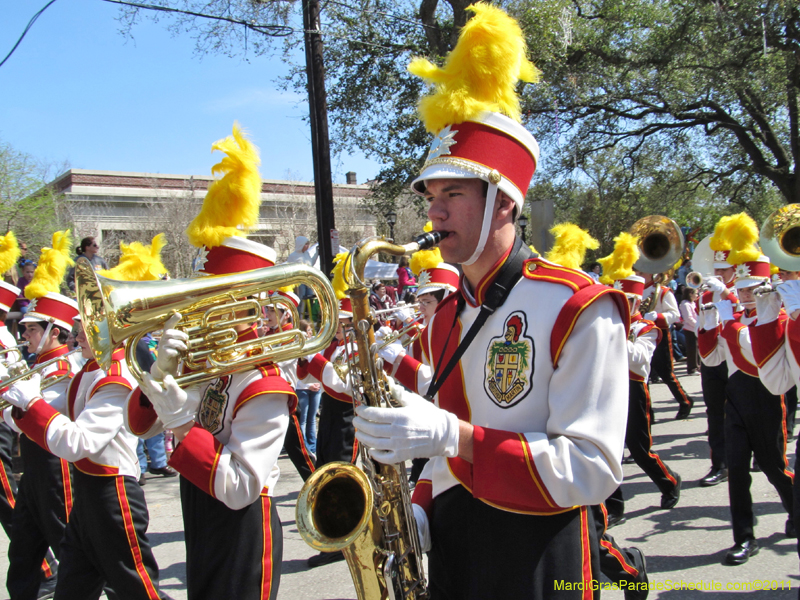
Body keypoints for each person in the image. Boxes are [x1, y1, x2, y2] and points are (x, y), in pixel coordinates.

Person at [352, 6, 630, 596]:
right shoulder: (450, 309)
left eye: (453, 193)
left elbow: (592, 469)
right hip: (457, 550)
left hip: (537, 555)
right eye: (431, 195)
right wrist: (420, 509)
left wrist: (454, 439)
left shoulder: (579, 306)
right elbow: (442, 448)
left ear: (505, 201)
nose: (434, 211)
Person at [126, 125, 292, 599]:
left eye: (205, 300)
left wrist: (180, 415)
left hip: (243, 532)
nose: (195, 310)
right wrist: (159, 375)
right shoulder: (211, 362)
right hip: (200, 510)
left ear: (241, 305)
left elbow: (240, 486)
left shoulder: (264, 383)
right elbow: (141, 428)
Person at [1, 229, 164, 599]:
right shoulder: (90, 372)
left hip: (113, 495)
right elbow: (38, 420)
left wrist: (32, 402)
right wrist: (20, 401)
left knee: (139, 591)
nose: (78, 333)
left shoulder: (114, 378)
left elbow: (78, 442)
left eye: (88, 325)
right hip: (88, 496)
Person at [697, 213, 794, 565]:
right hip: (735, 397)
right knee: (736, 470)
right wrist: (709, 321)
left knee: (774, 467)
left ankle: (796, 512)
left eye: (753, 289)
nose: (746, 294)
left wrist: (731, 324)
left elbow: (759, 359)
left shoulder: (778, 320)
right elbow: (711, 360)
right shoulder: (734, 320)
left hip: (766, 397)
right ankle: (744, 538)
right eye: (742, 289)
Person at [598, 233, 681, 530]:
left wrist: (615, 333)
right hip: (609, 390)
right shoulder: (607, 324)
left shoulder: (647, 328)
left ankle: (669, 482)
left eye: (627, 301)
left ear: (637, 302)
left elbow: (638, 360)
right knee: (611, 448)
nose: (621, 306)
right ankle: (614, 504)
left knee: (640, 448)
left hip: (634, 390)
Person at [3, 282, 78, 600]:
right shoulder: (38, 366)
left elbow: (28, 421)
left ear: (55, 331)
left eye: (32, 329)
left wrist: (12, 408)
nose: (25, 337)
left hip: (54, 468)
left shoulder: (61, 369)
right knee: (22, 549)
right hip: (35, 470)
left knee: (71, 544)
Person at [696, 216, 739, 487]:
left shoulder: (744, 290)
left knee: (743, 411)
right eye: (717, 269)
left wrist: (727, 294)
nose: (719, 274)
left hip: (737, 359)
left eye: (725, 270)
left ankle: (754, 455)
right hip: (713, 358)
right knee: (714, 413)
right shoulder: (705, 293)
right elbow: (702, 324)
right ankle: (719, 464)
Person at [635, 268, 693, 419]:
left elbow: (675, 315)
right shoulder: (634, 291)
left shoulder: (663, 291)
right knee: (643, 375)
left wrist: (658, 317)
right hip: (640, 335)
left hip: (659, 334)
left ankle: (685, 401)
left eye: (641, 272)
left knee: (666, 373)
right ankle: (648, 412)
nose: (637, 275)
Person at [295, 319, 321, 456]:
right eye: (308, 330)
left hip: (316, 388)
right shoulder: (297, 346)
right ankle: (304, 446)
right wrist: (308, 384)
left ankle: (312, 445)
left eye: (311, 330)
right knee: (303, 419)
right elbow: (296, 372)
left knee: (312, 419)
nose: (311, 333)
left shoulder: (314, 344)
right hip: (303, 389)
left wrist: (318, 383)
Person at [680, 287, 699, 374]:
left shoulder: (692, 303)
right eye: (695, 293)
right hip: (690, 329)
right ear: (690, 294)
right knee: (692, 350)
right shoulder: (685, 304)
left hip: (695, 328)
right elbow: (688, 318)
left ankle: (697, 366)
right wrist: (697, 325)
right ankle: (692, 368)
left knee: (697, 349)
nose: (697, 295)